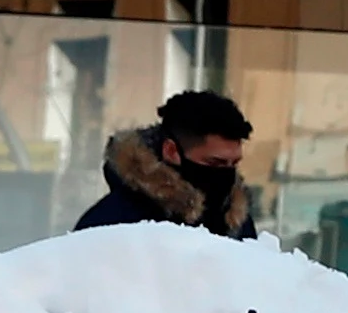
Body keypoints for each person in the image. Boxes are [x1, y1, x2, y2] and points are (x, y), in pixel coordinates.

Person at [81, 88, 257, 237]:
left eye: (233, 163)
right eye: (215, 163)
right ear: (171, 151)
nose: (226, 174)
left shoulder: (236, 222)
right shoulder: (112, 224)